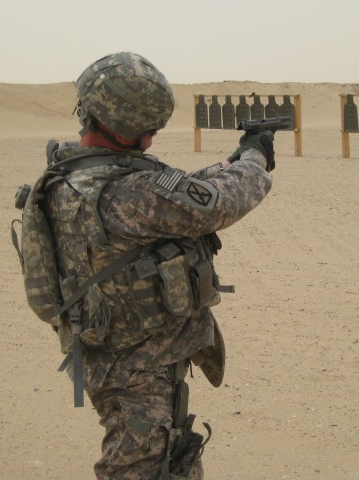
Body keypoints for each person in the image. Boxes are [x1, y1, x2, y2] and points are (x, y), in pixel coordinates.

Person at [43, 52, 275, 479]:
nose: (152, 138)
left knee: (165, 456)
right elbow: (216, 204)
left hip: (112, 352)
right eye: (150, 127)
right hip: (135, 365)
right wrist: (254, 160)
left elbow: (173, 196)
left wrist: (226, 164)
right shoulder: (129, 193)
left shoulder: (74, 174)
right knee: (140, 467)